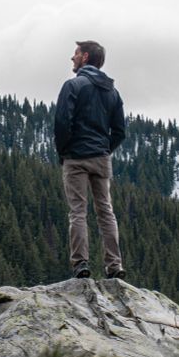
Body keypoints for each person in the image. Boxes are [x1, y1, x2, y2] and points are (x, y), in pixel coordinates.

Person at [53, 40, 127, 279]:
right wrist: (105, 149)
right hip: (101, 158)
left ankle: (81, 264)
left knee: (78, 212)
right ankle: (114, 266)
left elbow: (63, 122)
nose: (72, 58)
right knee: (106, 211)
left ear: (85, 57)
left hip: (76, 158)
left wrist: (65, 151)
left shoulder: (73, 86)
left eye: (75, 54)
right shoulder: (113, 92)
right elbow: (120, 131)